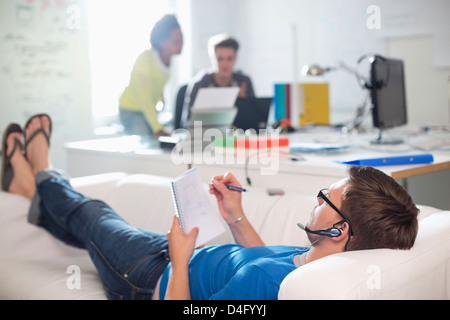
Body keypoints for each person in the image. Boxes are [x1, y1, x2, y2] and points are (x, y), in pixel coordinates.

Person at [1, 114, 419, 300]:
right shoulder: (314, 265)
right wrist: (235, 214)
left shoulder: (269, 289)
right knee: (91, 225)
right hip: (174, 258)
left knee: (93, 216)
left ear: (340, 230)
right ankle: (25, 186)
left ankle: (41, 167)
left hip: (149, 278)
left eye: (326, 196)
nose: (317, 197)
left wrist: (181, 261)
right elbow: (256, 258)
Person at [119, 14, 183, 138]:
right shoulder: (145, 60)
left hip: (149, 111)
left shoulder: (169, 61)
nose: (181, 45)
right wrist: (158, 128)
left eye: (182, 40)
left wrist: (162, 100)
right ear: (162, 42)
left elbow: (158, 84)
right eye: (176, 42)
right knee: (144, 148)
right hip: (131, 110)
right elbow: (145, 99)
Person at [181, 34, 255, 128]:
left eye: (229, 59)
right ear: (212, 59)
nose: (225, 64)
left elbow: (254, 121)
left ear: (235, 59)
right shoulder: (200, 84)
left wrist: (243, 102)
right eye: (220, 59)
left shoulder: (244, 82)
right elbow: (187, 123)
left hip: (235, 138)